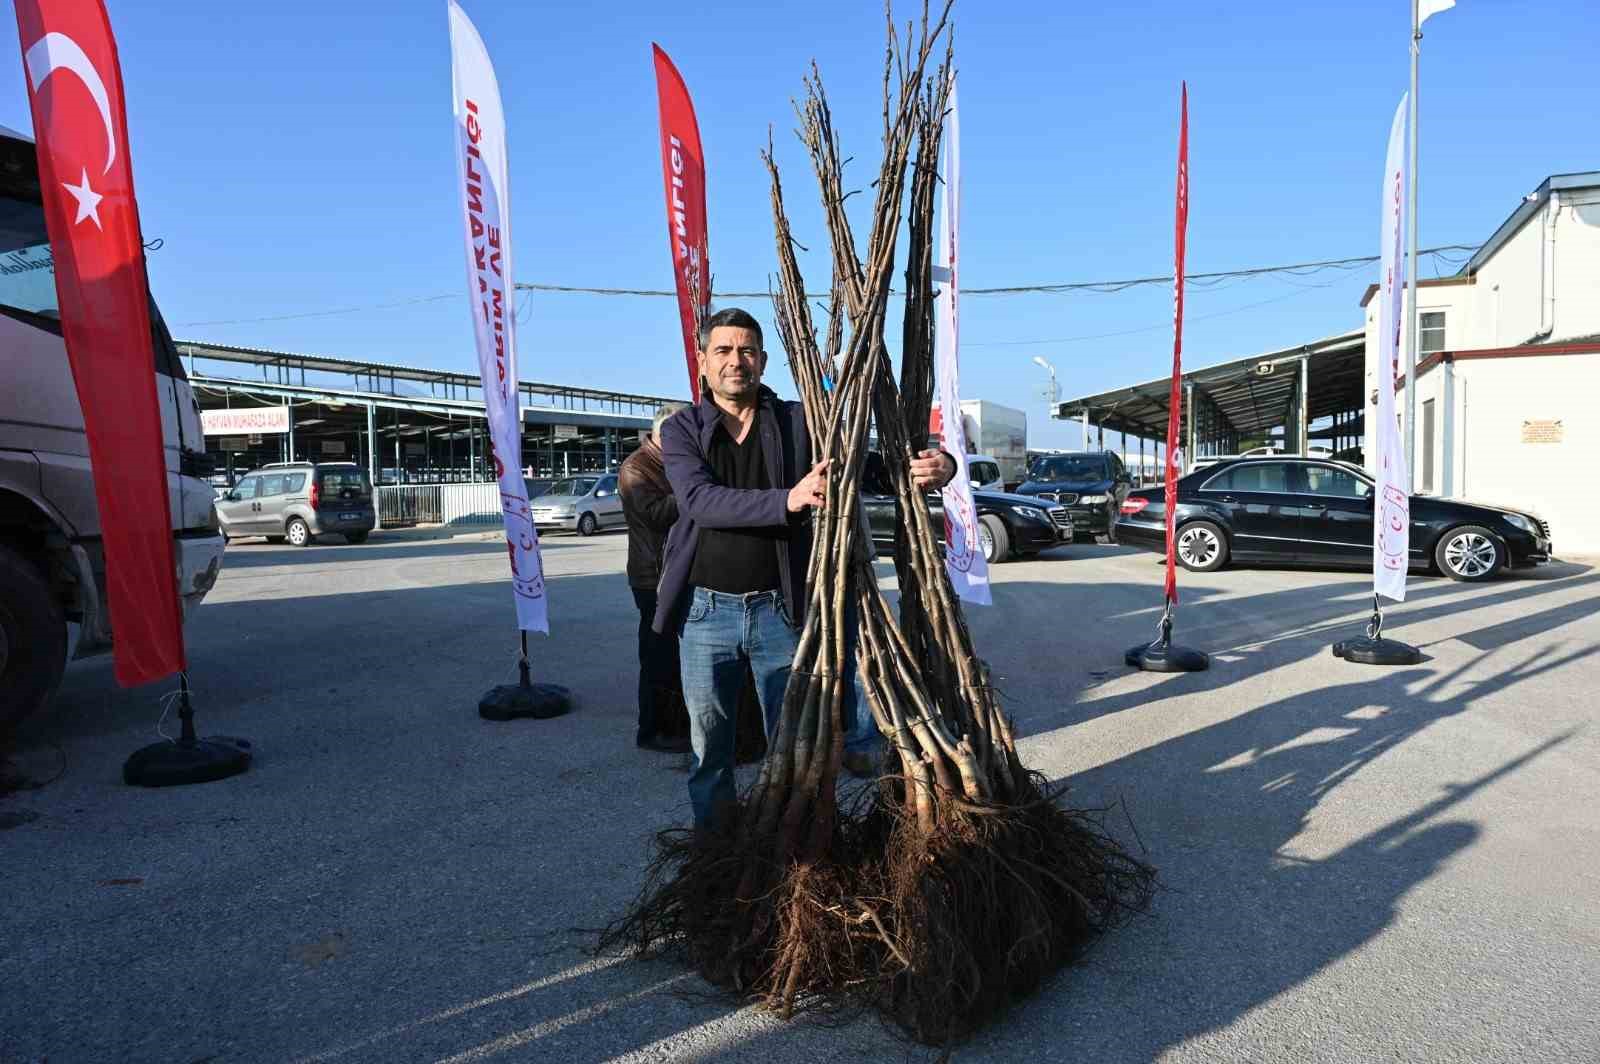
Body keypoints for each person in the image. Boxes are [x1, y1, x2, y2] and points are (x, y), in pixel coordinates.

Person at [655, 307, 955, 827]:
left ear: (764, 360)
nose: (736, 361)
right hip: (705, 613)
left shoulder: (799, 421)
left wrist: (938, 466)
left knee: (792, 743)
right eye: (723, 351)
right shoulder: (683, 429)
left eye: (747, 350)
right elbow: (700, 502)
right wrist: (788, 500)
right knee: (709, 749)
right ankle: (715, 854)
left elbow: (866, 467)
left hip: (781, 610)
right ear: (702, 361)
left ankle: (789, 849)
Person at [619, 402, 692, 753]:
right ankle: (652, 730)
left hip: (675, 570)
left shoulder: (671, 463)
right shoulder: (637, 468)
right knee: (657, 655)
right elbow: (656, 515)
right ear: (665, 434)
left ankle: (677, 722)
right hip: (652, 577)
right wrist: (695, 491)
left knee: (677, 655)